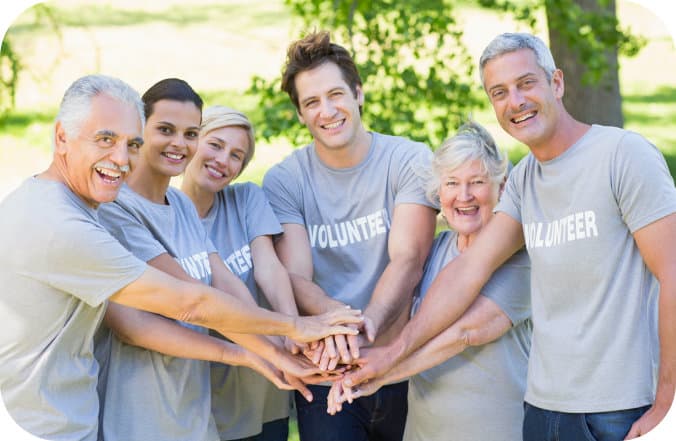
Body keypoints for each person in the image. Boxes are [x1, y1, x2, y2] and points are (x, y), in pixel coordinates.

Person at [342, 32, 676, 441]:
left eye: (525, 84)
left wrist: (667, 401)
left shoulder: (623, 155)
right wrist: (390, 353)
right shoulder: (524, 183)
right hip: (543, 409)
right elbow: (469, 268)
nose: (514, 101)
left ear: (556, 83)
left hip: (619, 409)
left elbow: (672, 273)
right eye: (499, 92)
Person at [0, 74, 362, 441]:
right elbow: (182, 304)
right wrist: (292, 329)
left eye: (130, 143)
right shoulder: (72, 221)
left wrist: (276, 352)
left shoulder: (159, 207)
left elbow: (219, 288)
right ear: (62, 137)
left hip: (174, 415)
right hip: (70, 423)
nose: (121, 158)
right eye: (105, 139)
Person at [262, 31, 438, 441]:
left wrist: (365, 328)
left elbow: (408, 259)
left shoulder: (408, 160)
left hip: (402, 365)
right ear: (301, 115)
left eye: (335, 94)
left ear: (358, 93)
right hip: (327, 377)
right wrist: (338, 327)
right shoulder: (286, 180)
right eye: (311, 103)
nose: (327, 110)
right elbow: (296, 277)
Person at [328, 120, 531, 441]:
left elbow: (464, 333)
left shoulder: (519, 258)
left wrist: (384, 371)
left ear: (501, 187)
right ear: (439, 191)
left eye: (477, 182)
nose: (463, 196)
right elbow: (406, 325)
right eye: (451, 183)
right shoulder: (435, 250)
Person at [181, 105, 297, 441]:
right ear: (192, 141)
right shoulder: (167, 216)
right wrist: (275, 341)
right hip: (211, 399)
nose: (222, 161)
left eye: (236, 156)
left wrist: (293, 331)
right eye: (215, 145)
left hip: (266, 390)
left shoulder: (246, 198)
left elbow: (269, 268)